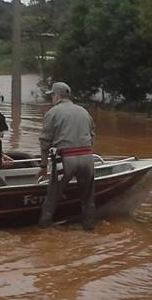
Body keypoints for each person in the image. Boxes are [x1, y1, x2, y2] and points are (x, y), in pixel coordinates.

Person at [38, 82, 96, 231]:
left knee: (52, 197)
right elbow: (92, 135)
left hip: (65, 160)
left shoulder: (53, 112)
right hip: (87, 158)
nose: (52, 98)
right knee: (88, 198)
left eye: (52, 95)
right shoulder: (84, 111)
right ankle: (89, 229)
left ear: (57, 96)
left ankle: (43, 230)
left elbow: (45, 141)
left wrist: (43, 165)